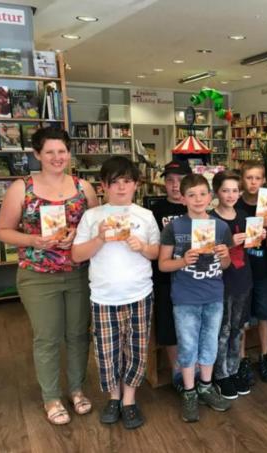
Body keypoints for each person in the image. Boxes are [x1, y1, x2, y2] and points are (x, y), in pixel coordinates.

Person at [0, 127, 98, 426]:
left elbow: (96, 224)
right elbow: (3, 231)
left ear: (69, 152)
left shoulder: (84, 187)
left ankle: (77, 389)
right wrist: (34, 240)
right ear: (37, 154)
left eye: (62, 151)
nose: (57, 157)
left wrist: (78, 233)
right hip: (38, 276)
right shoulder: (21, 188)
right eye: (50, 151)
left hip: (79, 272)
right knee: (48, 338)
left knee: (79, 334)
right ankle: (51, 396)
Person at [71, 156, 160, 429]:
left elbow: (156, 253)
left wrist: (142, 246)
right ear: (103, 186)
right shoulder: (92, 216)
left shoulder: (145, 215)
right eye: (115, 183)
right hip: (104, 297)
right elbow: (76, 255)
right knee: (107, 352)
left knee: (136, 350)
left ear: (136, 185)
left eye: (127, 182)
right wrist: (99, 238)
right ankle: (113, 396)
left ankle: (130, 400)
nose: (121, 188)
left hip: (139, 293)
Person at [158, 174, 233, 423]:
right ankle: (189, 392)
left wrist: (224, 254)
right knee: (188, 345)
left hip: (213, 295)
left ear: (210, 197)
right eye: (191, 195)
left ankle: (206, 386)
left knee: (209, 342)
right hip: (185, 298)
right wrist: (183, 260)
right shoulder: (174, 227)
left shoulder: (220, 227)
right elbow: (163, 265)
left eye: (202, 194)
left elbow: (225, 264)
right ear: (182, 198)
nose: (198, 199)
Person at [209, 171, 254, 399]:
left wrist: (257, 236)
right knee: (223, 330)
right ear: (216, 192)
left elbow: (252, 248)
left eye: (235, 190)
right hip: (220, 283)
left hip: (243, 279)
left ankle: (234, 369)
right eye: (225, 190)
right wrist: (228, 244)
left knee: (238, 328)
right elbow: (206, 254)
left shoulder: (244, 215)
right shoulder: (210, 220)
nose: (231, 195)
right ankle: (221, 374)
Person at [235, 160, 267, 383]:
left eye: (258, 178)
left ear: (264, 180)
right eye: (249, 178)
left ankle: (264, 355)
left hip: (263, 267)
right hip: (242, 269)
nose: (253, 182)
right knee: (242, 316)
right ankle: (242, 359)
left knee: (264, 313)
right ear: (242, 179)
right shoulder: (235, 204)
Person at [149, 160, 190, 392]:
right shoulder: (154, 211)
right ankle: (177, 371)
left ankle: (193, 370)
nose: (175, 186)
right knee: (168, 326)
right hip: (165, 279)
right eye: (170, 181)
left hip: (194, 278)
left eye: (181, 180)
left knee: (193, 324)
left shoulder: (197, 207)